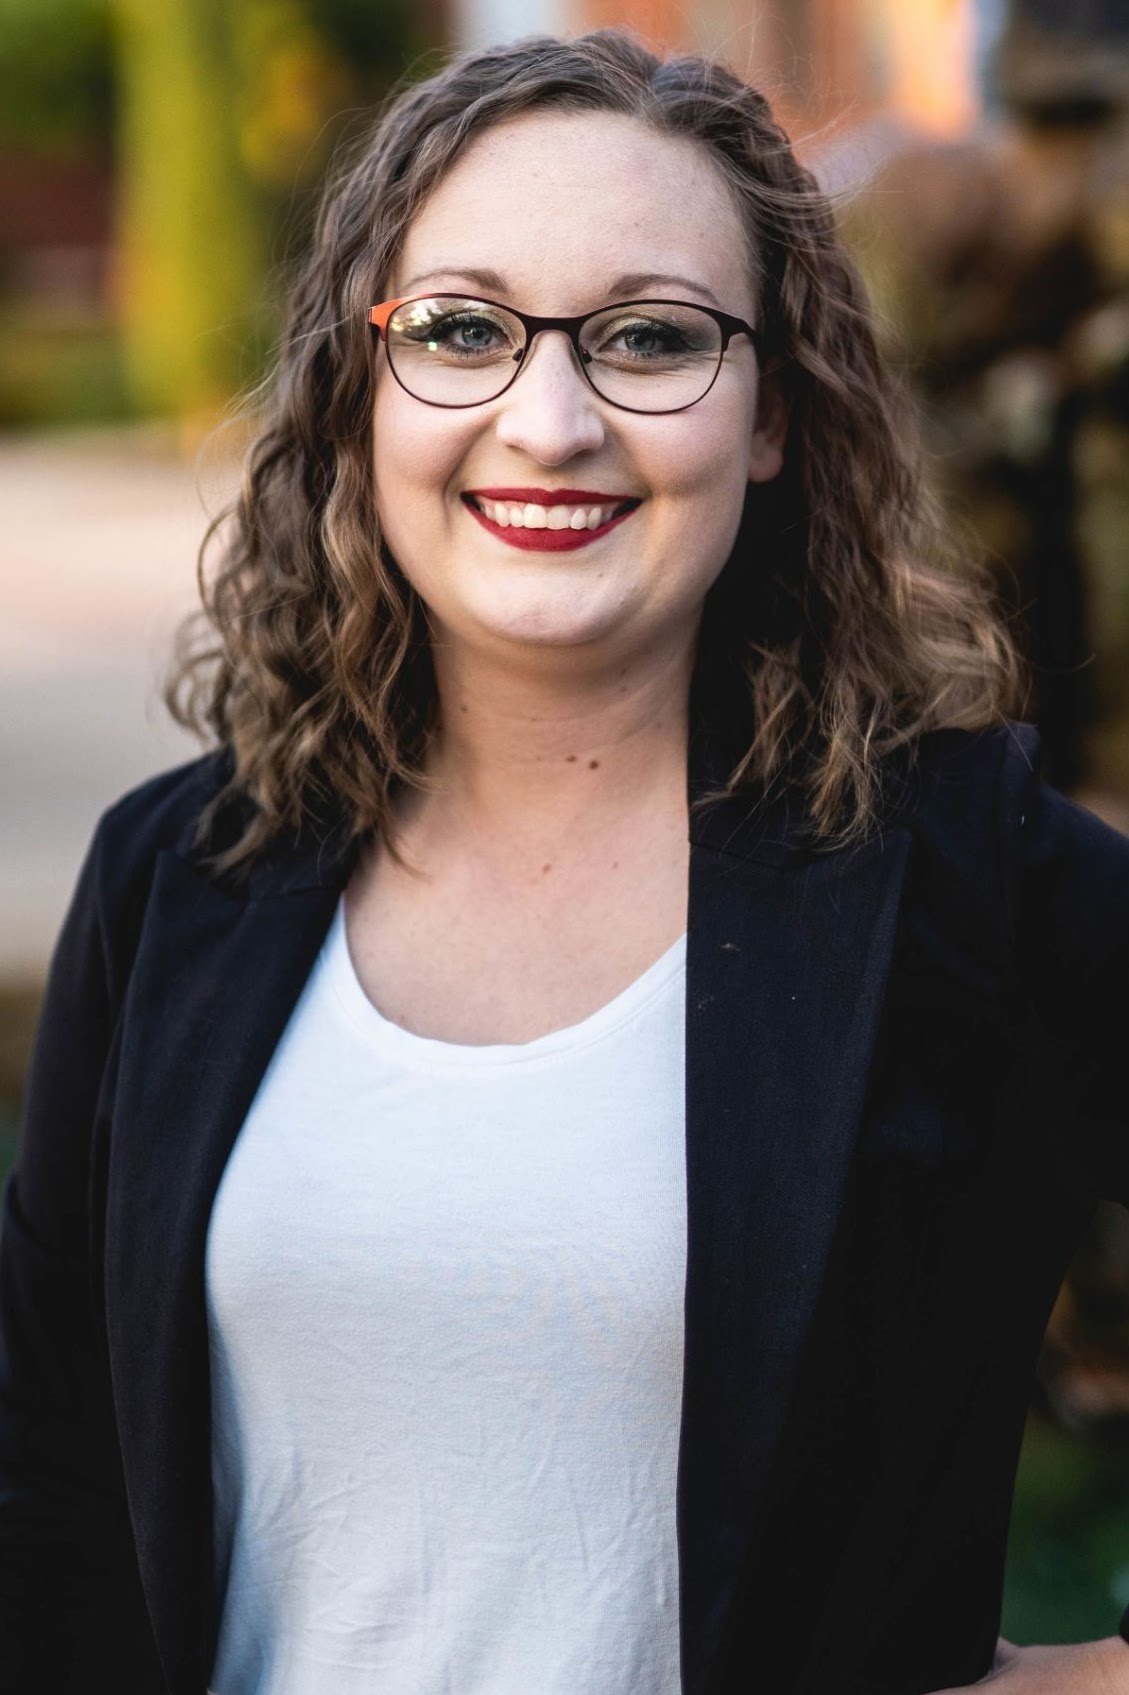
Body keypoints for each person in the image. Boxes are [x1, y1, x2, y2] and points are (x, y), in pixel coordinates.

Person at [2, 26, 1128, 1695]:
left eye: (650, 339)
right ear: (361, 388)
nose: (548, 418)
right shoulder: (182, 881)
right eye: (460, 329)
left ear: (769, 416)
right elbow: (50, 1513)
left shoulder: (967, 877)